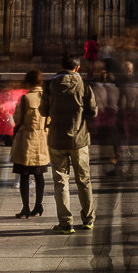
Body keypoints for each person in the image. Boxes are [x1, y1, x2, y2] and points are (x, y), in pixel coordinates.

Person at [40, 52, 97, 234]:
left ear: (61, 66)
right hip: (79, 139)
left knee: (60, 182)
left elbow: (43, 111)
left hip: (57, 139)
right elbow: (93, 111)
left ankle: (65, 223)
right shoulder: (85, 85)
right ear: (77, 68)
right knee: (84, 180)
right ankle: (88, 219)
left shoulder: (49, 85)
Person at [10, 69, 50, 218]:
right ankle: (38, 206)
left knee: (24, 175)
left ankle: (25, 208)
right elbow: (50, 120)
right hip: (42, 141)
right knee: (39, 175)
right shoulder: (46, 98)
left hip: (26, 141)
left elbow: (17, 120)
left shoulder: (26, 98)